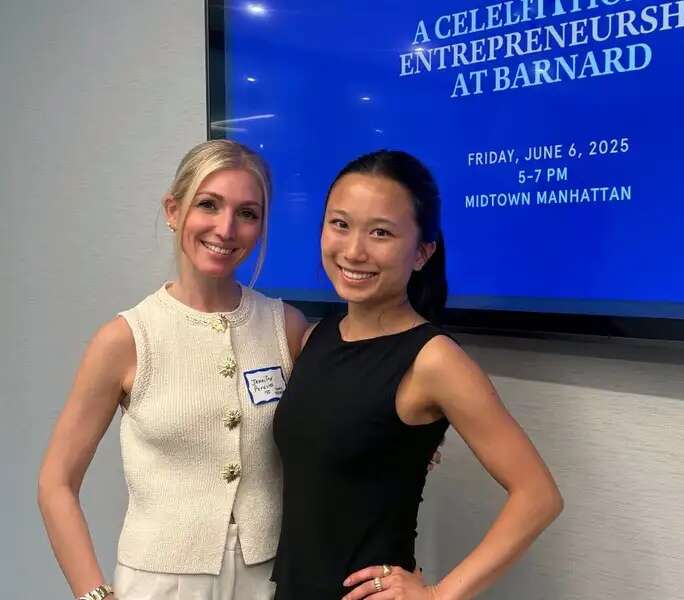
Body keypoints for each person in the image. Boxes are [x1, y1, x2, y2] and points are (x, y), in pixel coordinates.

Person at [271, 149, 563, 599]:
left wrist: (436, 595)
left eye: (381, 232)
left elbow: (538, 496)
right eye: (340, 224)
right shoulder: (315, 338)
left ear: (423, 252)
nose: (353, 250)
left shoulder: (433, 360)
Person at [38, 140, 307, 600]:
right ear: (172, 210)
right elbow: (56, 482)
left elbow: (331, 430)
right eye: (209, 205)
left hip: (271, 577)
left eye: (247, 213)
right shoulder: (126, 338)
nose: (226, 228)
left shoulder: (286, 327)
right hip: (159, 582)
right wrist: (93, 594)